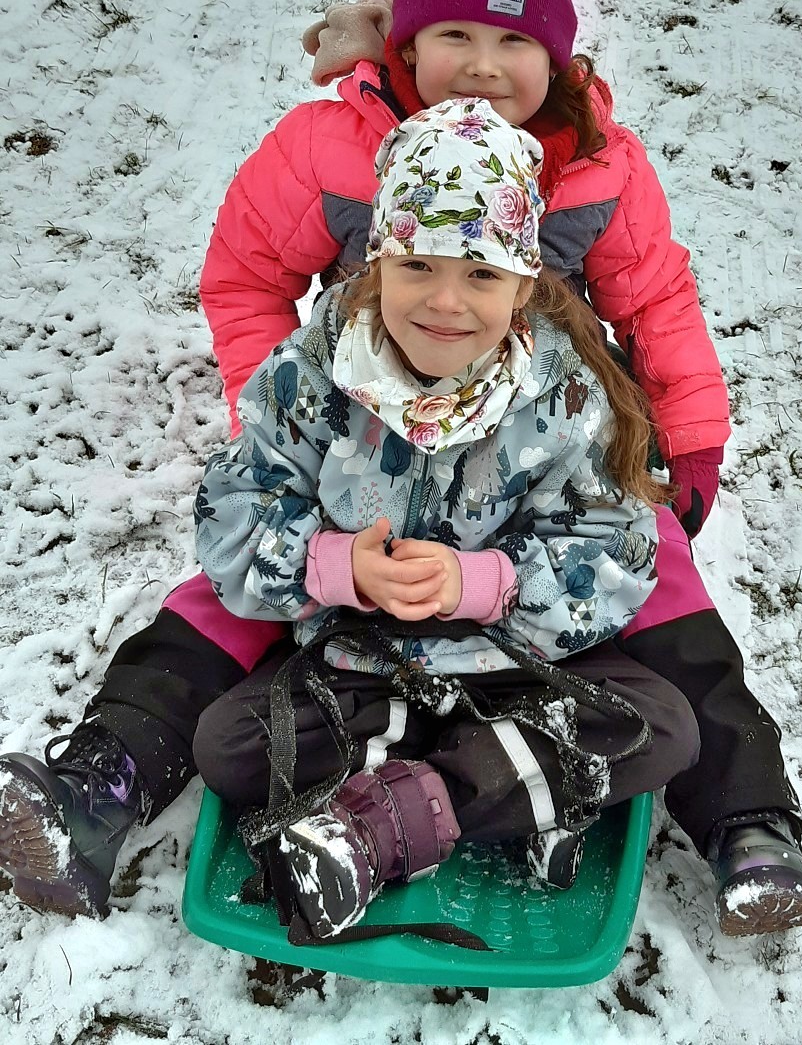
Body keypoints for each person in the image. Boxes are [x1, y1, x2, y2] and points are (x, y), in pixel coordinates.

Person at [0, 0, 802, 936]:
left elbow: (658, 302)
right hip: (356, 428)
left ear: (557, 54)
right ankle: (100, 785)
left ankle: (747, 820)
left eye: (515, 42)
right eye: (454, 35)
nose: (481, 66)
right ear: (406, 37)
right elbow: (246, 279)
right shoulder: (326, 146)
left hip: (541, 450)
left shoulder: (599, 166)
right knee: (226, 593)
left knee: (656, 587)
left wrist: (689, 441)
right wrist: (287, 423)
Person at [187, 99, 699, 939]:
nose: (446, 301)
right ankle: (519, 798)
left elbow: (616, 548)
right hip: (363, 664)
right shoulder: (310, 372)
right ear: (377, 261)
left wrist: (485, 582)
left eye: (482, 274)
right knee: (231, 744)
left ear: (523, 283)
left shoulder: (566, 393)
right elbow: (234, 509)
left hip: (513, 667)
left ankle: (377, 824)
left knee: (657, 724)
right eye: (418, 264)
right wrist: (334, 566)